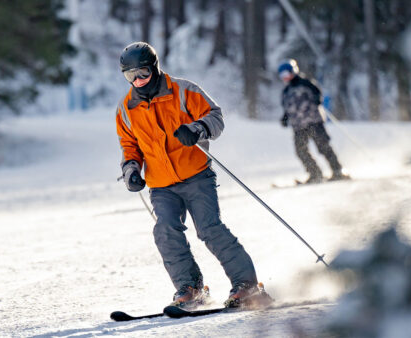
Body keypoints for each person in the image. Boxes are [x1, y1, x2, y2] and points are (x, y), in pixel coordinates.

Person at [116, 42, 266, 308]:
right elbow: (130, 146)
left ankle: (246, 285)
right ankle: (190, 288)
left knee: (209, 229)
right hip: (161, 185)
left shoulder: (184, 91)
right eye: (130, 76)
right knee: (165, 231)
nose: (137, 81)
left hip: (196, 175)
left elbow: (216, 117)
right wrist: (131, 171)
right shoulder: (126, 109)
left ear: (155, 68)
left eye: (142, 74)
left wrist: (197, 129)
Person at [278, 59, 350, 183]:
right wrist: (285, 118)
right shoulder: (286, 91)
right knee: (301, 151)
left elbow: (318, 93)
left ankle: (337, 171)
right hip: (298, 126)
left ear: (293, 71)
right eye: (282, 76)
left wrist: (317, 99)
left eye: (286, 74)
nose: (285, 78)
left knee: (323, 147)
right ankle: (315, 174)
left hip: (313, 121)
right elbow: (287, 107)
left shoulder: (306, 83)